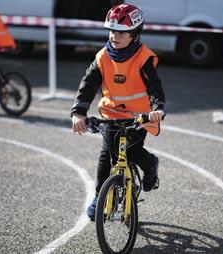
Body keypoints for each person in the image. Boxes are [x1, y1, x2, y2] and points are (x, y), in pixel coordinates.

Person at [70, 4, 166, 220]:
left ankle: (150, 164)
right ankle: (99, 196)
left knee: (131, 149)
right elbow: (88, 85)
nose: (115, 36)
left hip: (138, 117)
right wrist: (79, 112)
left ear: (134, 34)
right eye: (112, 31)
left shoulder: (144, 57)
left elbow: (155, 87)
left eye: (121, 32)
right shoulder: (103, 56)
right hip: (111, 115)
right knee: (107, 155)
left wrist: (158, 107)